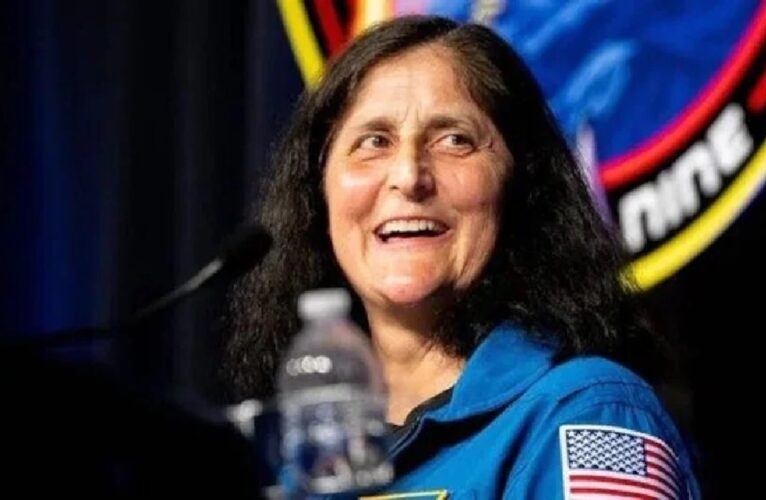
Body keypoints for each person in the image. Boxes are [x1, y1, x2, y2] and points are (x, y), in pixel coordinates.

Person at [227, 15, 701, 499]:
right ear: (318, 196)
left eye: (454, 140)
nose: (409, 176)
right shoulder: (293, 466)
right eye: (374, 142)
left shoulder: (591, 417)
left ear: (522, 185)